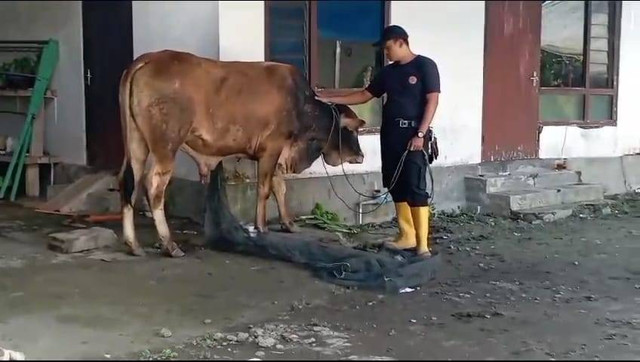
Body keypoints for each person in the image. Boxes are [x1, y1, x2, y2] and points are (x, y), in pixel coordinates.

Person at [317, 25, 440, 257]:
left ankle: (422, 244)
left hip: (414, 134)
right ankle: (406, 236)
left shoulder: (425, 66)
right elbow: (364, 95)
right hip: (391, 134)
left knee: (415, 186)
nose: (386, 53)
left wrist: (421, 134)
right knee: (394, 183)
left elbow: (432, 101)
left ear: (401, 42)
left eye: (388, 47)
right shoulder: (388, 73)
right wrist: (328, 98)